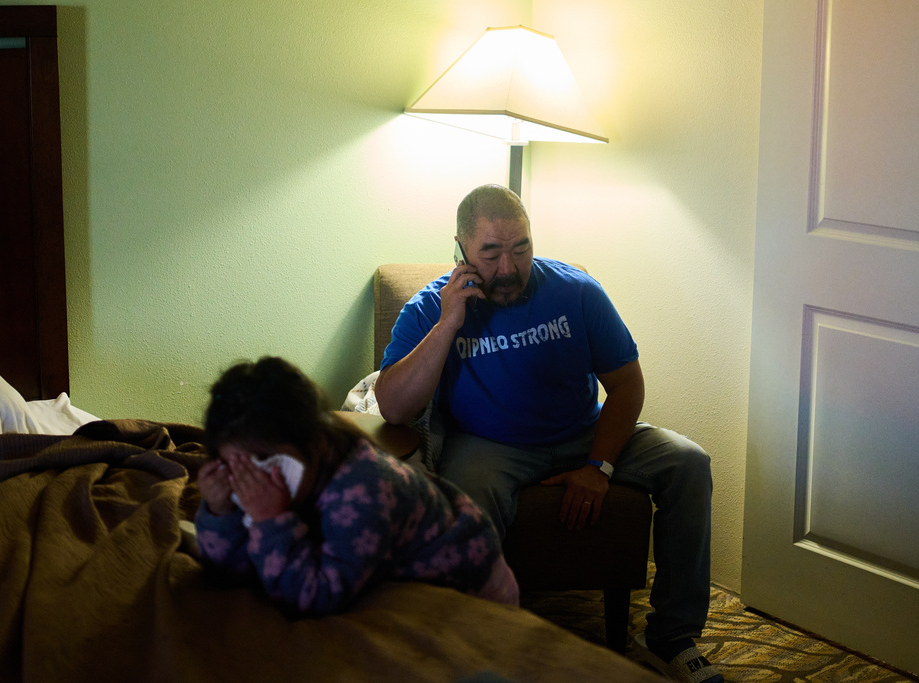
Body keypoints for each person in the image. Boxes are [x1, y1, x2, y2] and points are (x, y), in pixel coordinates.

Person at [374, 184, 722, 683]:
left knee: (688, 462)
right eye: (490, 253)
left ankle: (672, 637)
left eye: (521, 248)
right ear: (461, 249)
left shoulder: (576, 291)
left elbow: (627, 385)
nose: (509, 267)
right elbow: (392, 407)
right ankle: (478, 645)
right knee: (463, 499)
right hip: (491, 445)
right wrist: (449, 324)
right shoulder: (431, 307)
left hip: (582, 431)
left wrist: (599, 466)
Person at [194, 356, 519, 616]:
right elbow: (237, 572)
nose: (252, 481)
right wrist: (221, 514)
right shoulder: (280, 483)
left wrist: (271, 521)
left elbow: (314, 598)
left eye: (265, 461)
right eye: (234, 467)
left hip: (472, 589)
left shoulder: (364, 491)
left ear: (315, 442)